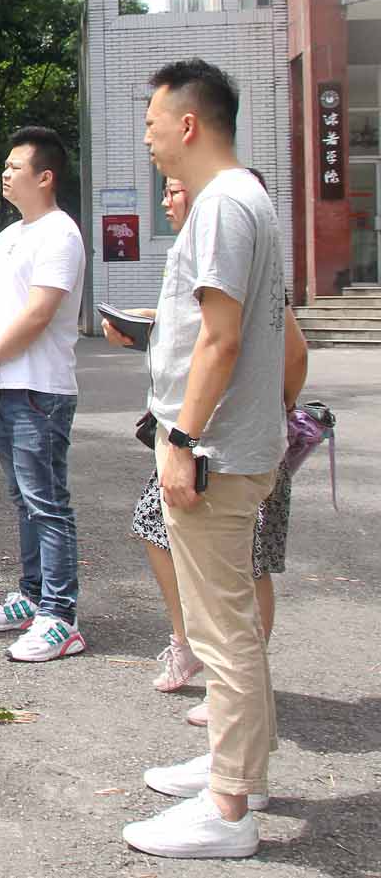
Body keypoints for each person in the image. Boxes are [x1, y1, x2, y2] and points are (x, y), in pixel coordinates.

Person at [120, 59, 287, 860]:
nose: (148, 140)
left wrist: (181, 441)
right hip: (234, 444)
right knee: (231, 624)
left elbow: (220, 340)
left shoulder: (221, 204)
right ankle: (237, 770)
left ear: (188, 123)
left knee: (223, 632)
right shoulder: (245, 197)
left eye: (153, 124)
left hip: (215, 451)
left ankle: (229, 808)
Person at [113, 172, 307, 726]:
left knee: (247, 564)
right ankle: (195, 647)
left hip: (229, 444)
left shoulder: (234, 241)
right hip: (192, 440)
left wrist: (274, 412)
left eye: (175, 190)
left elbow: (290, 352)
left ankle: (239, 691)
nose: (167, 201)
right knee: (156, 525)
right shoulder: (196, 253)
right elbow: (198, 340)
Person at [0, 128, 87, 663]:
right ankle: (33, 595)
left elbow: (40, 313)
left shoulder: (60, 234)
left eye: (16, 166)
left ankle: (60, 616)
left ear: (45, 177)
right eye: (6, 164)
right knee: (23, 500)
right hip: (5, 382)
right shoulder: (11, 235)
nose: (6, 172)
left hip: (41, 389)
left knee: (47, 502)